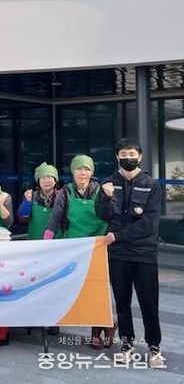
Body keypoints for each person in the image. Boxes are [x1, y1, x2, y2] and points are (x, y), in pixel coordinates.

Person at [95, 138, 165, 368]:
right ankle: (127, 344)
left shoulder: (151, 184)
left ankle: (154, 347)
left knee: (149, 303)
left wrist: (118, 236)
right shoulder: (109, 183)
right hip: (118, 255)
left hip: (144, 254)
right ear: (117, 157)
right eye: (124, 154)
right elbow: (102, 214)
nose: (128, 158)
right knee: (122, 302)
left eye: (132, 154)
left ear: (140, 157)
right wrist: (105, 197)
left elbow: (149, 223)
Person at [44, 154, 110, 349]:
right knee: (68, 285)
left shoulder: (101, 190)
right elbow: (55, 217)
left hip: (97, 245)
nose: (83, 173)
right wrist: (47, 240)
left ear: (92, 172)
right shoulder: (65, 192)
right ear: (73, 172)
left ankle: (98, 329)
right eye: (79, 169)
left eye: (87, 169)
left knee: (96, 288)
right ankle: (58, 319)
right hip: (74, 245)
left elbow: (110, 215)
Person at [18, 162, 60, 240]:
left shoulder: (62, 197)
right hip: (35, 242)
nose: (46, 181)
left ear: (55, 181)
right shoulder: (32, 196)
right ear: (38, 181)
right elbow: (23, 218)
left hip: (58, 242)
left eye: (49, 177)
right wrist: (27, 202)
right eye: (43, 178)